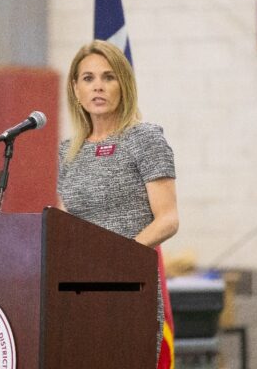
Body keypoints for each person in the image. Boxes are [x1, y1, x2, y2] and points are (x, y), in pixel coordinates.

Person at [57, 39, 179, 358]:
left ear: (123, 85)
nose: (98, 87)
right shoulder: (67, 151)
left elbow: (168, 219)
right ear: (75, 89)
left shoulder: (145, 139)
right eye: (89, 78)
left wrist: (117, 258)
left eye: (108, 77)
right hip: (77, 289)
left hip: (128, 284)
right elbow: (63, 221)